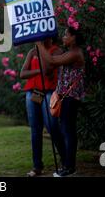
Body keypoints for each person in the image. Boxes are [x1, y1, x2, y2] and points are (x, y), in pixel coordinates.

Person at [36, 27, 86, 177]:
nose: (63, 37)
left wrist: (39, 45)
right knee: (67, 130)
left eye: (66, 35)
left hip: (70, 98)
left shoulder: (75, 53)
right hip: (66, 97)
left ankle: (69, 168)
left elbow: (51, 60)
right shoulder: (69, 52)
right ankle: (68, 165)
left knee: (68, 131)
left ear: (74, 38)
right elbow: (51, 64)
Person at [20, 37, 65, 177]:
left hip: (49, 91)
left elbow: (48, 71)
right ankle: (37, 166)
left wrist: (41, 48)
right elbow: (23, 74)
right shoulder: (32, 52)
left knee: (52, 126)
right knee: (35, 129)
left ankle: (65, 160)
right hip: (35, 92)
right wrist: (38, 70)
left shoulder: (56, 51)